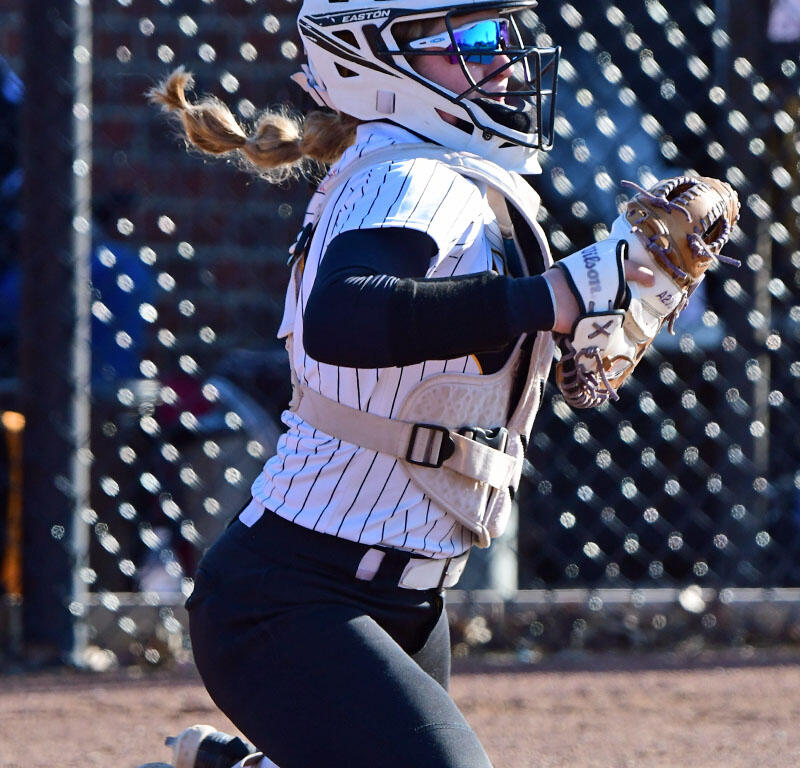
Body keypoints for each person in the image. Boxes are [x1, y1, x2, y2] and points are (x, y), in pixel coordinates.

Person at [149, 1, 657, 766]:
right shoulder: (413, 172)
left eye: (503, 33)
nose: (505, 59)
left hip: (400, 598)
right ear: (371, 57)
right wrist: (552, 298)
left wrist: (590, 322)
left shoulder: (435, 169)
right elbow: (345, 315)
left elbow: (450, 348)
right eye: (475, 37)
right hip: (296, 599)